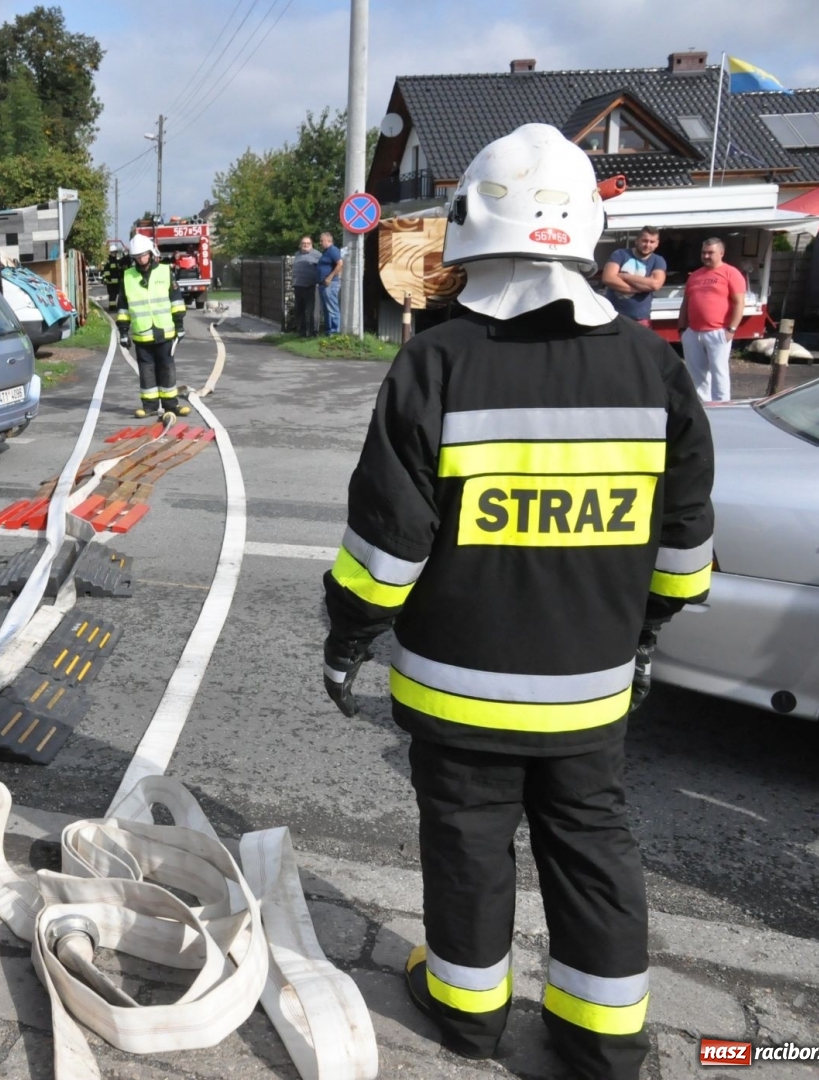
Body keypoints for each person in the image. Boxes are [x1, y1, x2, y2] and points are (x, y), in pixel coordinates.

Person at [320, 124, 714, 1080]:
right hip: (591, 689)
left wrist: (348, 640)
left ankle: (468, 1016)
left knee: (467, 844)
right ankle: (603, 1038)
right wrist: (649, 635)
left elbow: (386, 544)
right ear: (586, 234)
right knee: (593, 846)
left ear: (467, 236)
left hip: (458, 691)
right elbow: (687, 542)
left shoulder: (437, 362)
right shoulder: (651, 367)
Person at [116, 232, 189, 417]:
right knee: (146, 371)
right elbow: (123, 308)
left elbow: (176, 301)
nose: (141, 259)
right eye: (137, 256)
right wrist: (123, 332)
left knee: (167, 368)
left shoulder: (165, 272)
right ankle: (149, 407)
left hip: (165, 332)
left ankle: (171, 406)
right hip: (142, 333)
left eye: (143, 255)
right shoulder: (127, 277)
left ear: (151, 252)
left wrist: (179, 326)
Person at [680, 237, 746, 401]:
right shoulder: (694, 276)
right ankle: (703, 407)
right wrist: (682, 329)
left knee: (719, 371)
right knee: (696, 373)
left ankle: (722, 407)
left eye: (711, 253)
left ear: (721, 253)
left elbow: (739, 303)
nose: (706, 256)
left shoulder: (731, 273)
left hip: (718, 331)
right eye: (704, 252)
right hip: (693, 332)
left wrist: (731, 329)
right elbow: (685, 303)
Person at [600, 226, 667, 327]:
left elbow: (656, 284)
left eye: (652, 242)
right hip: (613, 316)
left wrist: (624, 276)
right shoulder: (620, 254)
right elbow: (608, 278)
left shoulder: (658, 260)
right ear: (637, 241)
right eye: (644, 240)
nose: (647, 245)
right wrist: (642, 288)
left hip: (640, 319)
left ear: (657, 244)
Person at [290, 235, 323, 336]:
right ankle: (302, 331)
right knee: (299, 310)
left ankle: (313, 332)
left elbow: (321, 268)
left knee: (311, 310)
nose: (305, 245)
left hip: (310, 286)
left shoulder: (317, 255)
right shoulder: (297, 254)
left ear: (312, 245)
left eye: (308, 243)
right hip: (298, 285)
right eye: (304, 243)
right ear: (300, 245)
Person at [318, 231, 344, 335]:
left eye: (321, 241)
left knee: (332, 308)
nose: (320, 243)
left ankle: (335, 332)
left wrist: (330, 277)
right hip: (323, 284)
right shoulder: (325, 251)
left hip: (330, 284)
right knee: (326, 309)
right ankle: (328, 331)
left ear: (328, 240)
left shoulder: (333, 250)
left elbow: (340, 264)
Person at [102, 239, 129, 310]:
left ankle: (117, 307)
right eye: (113, 252)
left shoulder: (117, 261)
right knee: (112, 296)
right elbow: (106, 272)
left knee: (119, 296)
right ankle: (112, 308)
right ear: (110, 253)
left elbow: (125, 261)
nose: (114, 254)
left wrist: (125, 253)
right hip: (111, 284)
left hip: (118, 283)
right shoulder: (108, 262)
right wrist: (108, 279)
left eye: (115, 252)